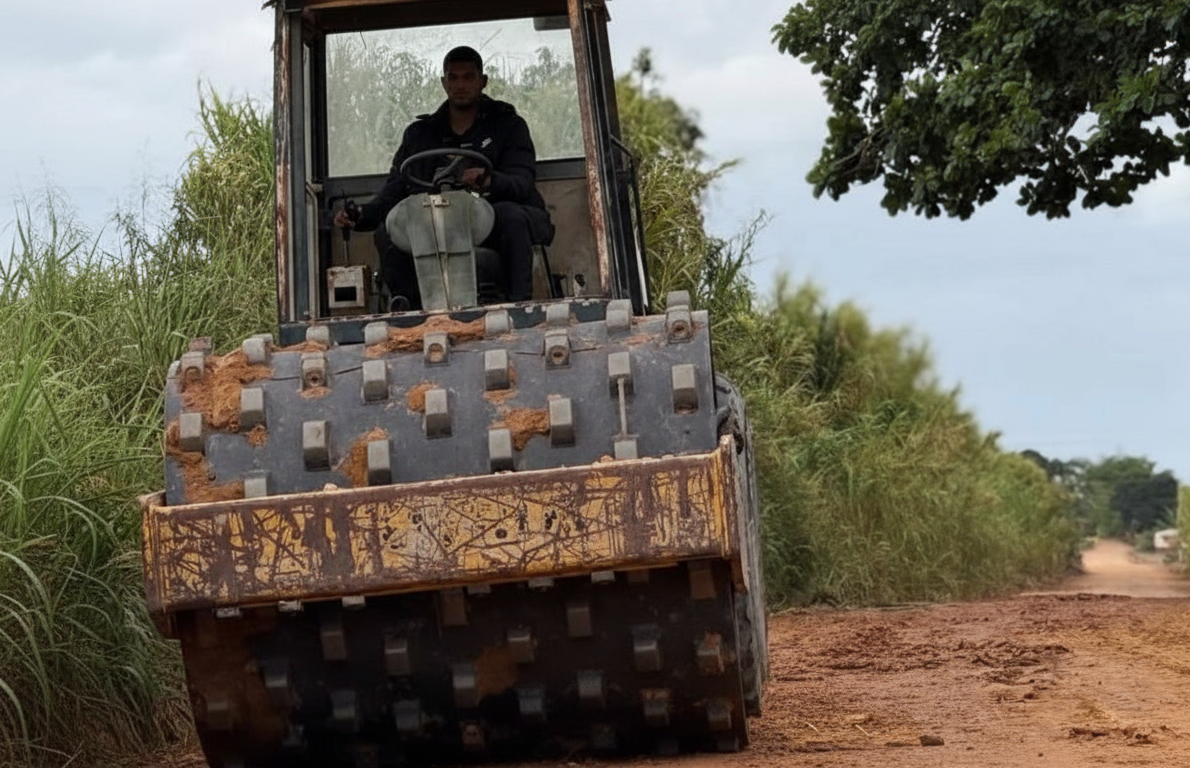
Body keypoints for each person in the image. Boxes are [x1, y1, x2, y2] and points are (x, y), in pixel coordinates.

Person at [335, 45, 554, 307]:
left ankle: (519, 307)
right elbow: (394, 191)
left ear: (482, 81)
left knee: (512, 217)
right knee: (390, 229)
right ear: (443, 82)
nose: (460, 85)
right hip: (434, 223)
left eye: (468, 77)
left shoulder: (508, 125)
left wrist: (489, 179)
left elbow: (522, 180)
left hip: (490, 220)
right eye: (453, 77)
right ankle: (407, 308)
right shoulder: (419, 134)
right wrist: (360, 215)